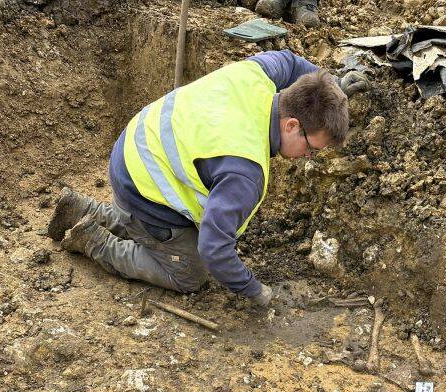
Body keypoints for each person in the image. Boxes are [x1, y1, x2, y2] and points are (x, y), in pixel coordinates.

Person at [48, 51, 349, 308]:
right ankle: (94, 241)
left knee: (179, 237)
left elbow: (290, 61)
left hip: (136, 142)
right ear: (292, 125)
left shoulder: (256, 74)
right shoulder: (244, 171)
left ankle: (82, 209)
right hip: (141, 184)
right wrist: (254, 290)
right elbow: (214, 249)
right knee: (190, 273)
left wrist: (333, 85)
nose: (309, 156)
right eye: (312, 148)